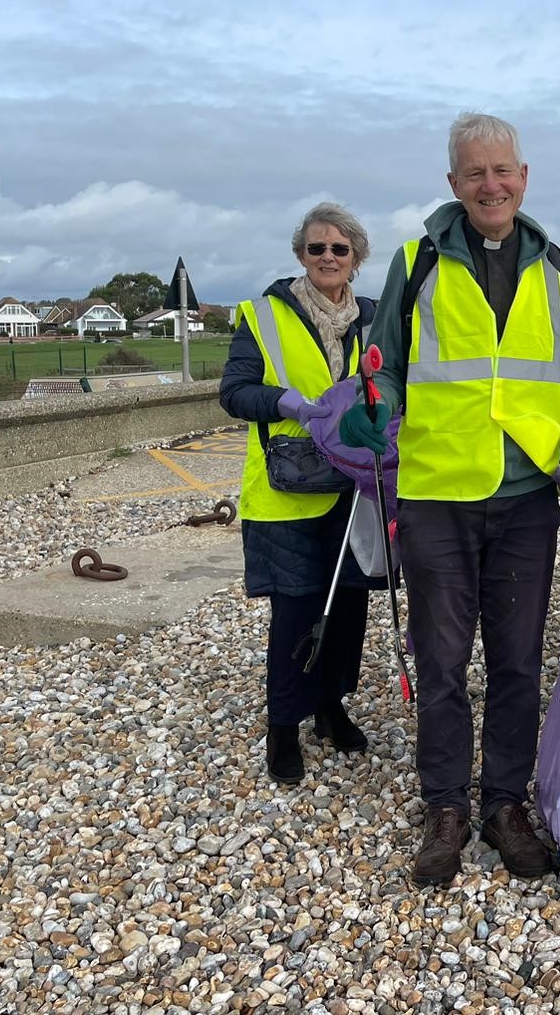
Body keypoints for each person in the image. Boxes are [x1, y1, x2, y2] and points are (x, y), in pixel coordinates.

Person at [339, 112, 560, 887]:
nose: (491, 184)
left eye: (503, 170)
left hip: (526, 494)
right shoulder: (416, 261)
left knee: (519, 661)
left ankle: (504, 803)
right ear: (453, 184)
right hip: (437, 492)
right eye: (474, 173)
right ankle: (446, 805)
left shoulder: (557, 266)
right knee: (444, 660)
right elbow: (384, 360)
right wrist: (375, 400)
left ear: (524, 178)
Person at [219, 202, 380, 786]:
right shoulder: (263, 316)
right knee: (296, 611)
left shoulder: (378, 318)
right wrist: (284, 400)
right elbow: (235, 393)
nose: (328, 258)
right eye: (317, 249)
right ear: (300, 256)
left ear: (356, 259)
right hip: (287, 487)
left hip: (355, 486)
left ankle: (332, 708)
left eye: (340, 249)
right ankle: (283, 726)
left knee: (350, 605)